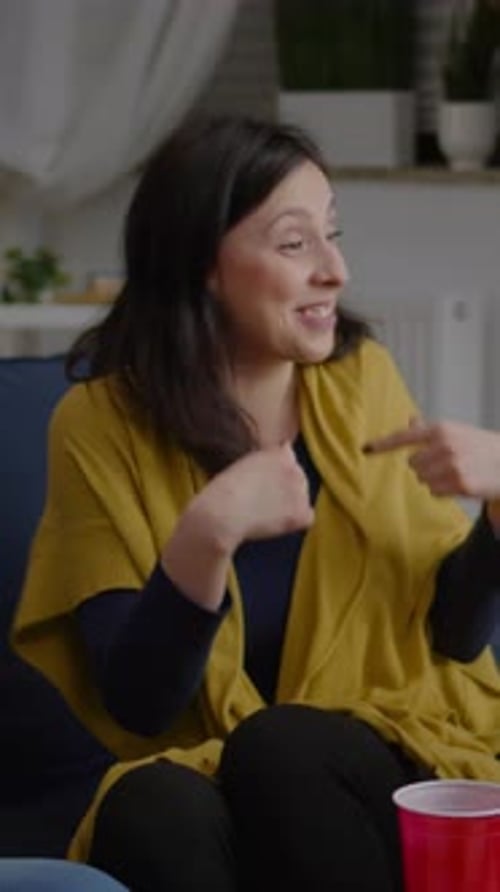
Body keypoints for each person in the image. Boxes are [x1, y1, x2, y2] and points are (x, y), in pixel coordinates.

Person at [13, 115, 500, 892]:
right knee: (147, 801)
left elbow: (450, 632)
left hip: (393, 740)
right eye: (295, 242)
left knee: (280, 746)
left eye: (333, 234)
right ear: (203, 262)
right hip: (215, 759)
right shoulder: (99, 426)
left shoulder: (361, 380)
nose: (336, 270)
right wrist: (206, 535)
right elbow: (139, 708)